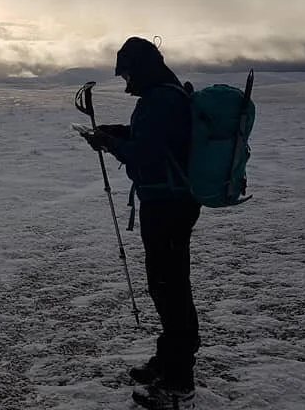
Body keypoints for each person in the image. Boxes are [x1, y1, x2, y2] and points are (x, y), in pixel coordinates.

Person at [83, 36, 200, 409]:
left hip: (168, 205)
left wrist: (110, 143)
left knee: (170, 288)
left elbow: (146, 155)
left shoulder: (160, 100)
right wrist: (119, 133)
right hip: (170, 201)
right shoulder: (167, 95)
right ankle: (168, 361)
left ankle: (179, 380)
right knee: (167, 284)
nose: (126, 82)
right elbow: (157, 142)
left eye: (128, 74)